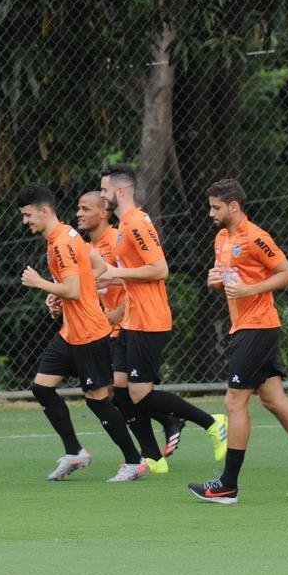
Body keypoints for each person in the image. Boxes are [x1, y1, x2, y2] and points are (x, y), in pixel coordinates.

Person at [186, 179, 288, 504]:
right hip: (246, 327)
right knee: (273, 399)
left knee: (233, 402)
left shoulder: (256, 237)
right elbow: (229, 282)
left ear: (234, 206)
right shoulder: (221, 239)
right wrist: (215, 281)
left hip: (257, 328)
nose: (210, 212)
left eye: (216, 207)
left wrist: (249, 291)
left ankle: (228, 485)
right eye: (210, 206)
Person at [98, 164, 227, 480]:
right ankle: (153, 456)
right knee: (119, 389)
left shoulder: (137, 224)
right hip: (132, 320)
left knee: (140, 393)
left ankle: (212, 423)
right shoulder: (124, 225)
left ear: (121, 191)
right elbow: (128, 274)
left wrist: (117, 273)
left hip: (149, 319)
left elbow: (159, 269)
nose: (102, 196)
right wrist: (103, 280)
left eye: (104, 191)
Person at [17, 184, 146, 482]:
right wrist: (61, 294)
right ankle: (75, 452)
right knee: (42, 388)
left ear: (44, 210)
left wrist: (41, 284)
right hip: (70, 332)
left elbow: (74, 288)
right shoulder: (66, 235)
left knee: (97, 399)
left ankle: (134, 460)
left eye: (28, 215)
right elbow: (99, 267)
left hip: (89, 332)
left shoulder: (62, 242)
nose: (26, 221)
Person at [76, 190, 185, 462]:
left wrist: (120, 311)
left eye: (85, 208)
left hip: (126, 324)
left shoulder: (118, 238)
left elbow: (136, 280)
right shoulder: (89, 246)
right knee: (117, 392)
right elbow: (104, 281)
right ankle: (152, 446)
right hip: (108, 326)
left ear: (103, 212)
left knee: (119, 391)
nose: (79, 213)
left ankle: (159, 436)